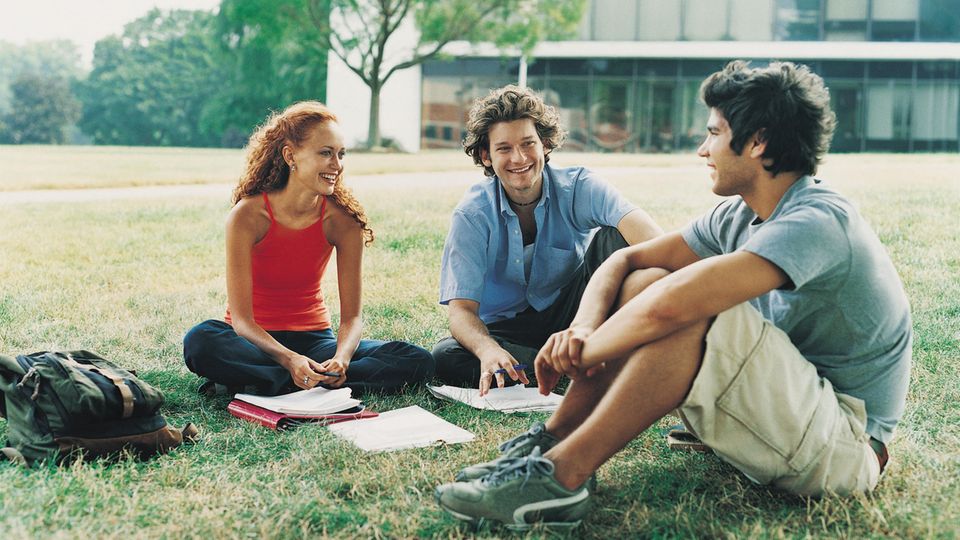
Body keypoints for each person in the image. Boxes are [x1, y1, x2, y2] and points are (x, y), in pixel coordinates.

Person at [436, 61, 912, 529]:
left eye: (714, 134)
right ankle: (548, 445)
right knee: (649, 279)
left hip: (844, 449)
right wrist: (580, 329)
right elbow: (627, 262)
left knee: (694, 314)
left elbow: (672, 307)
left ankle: (561, 479)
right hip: (789, 415)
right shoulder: (739, 215)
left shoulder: (818, 220)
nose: (703, 150)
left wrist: (583, 351)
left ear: (758, 142)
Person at [183, 101, 433, 397]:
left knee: (417, 360)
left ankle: (275, 381)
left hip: (315, 341)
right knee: (201, 340)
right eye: (325, 153)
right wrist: (289, 360)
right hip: (254, 341)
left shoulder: (343, 221)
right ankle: (303, 379)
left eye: (341, 155)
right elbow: (242, 321)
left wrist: (341, 359)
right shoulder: (247, 216)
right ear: (291, 156)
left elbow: (352, 319)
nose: (337, 166)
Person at [433, 85, 662, 395]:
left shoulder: (581, 186)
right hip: (510, 328)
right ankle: (563, 361)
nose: (519, 158)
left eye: (528, 144)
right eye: (504, 149)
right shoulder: (472, 215)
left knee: (619, 240)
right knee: (445, 356)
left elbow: (655, 243)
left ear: (545, 145)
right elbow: (461, 312)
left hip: (579, 308)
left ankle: (589, 351)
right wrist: (487, 349)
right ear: (486, 156)